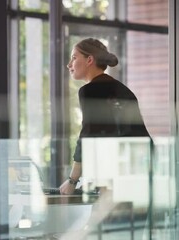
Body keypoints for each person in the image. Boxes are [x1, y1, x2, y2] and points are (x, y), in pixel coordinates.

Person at [59, 38, 151, 195]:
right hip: (142, 168)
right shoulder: (120, 88)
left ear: (89, 60)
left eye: (74, 58)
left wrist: (73, 180)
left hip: (123, 174)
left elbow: (88, 133)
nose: (69, 65)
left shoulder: (91, 90)